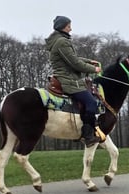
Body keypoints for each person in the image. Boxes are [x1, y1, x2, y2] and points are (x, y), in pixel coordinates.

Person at [45, 16, 102, 147]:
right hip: (68, 80)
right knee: (92, 103)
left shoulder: (58, 40)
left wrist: (88, 61)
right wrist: (94, 69)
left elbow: (72, 57)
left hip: (66, 77)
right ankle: (88, 136)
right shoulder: (62, 42)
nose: (71, 28)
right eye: (69, 25)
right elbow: (75, 63)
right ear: (62, 26)